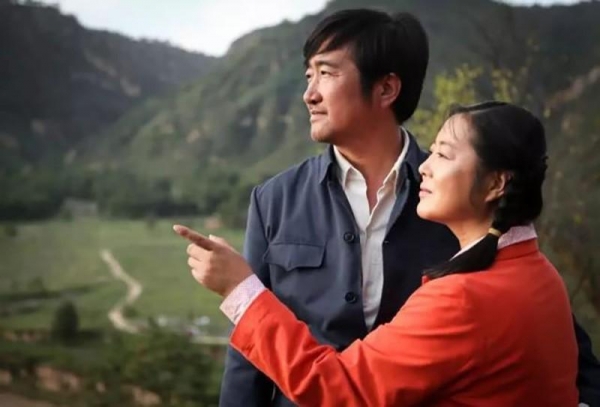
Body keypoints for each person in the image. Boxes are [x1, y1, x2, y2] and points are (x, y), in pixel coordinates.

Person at [184, 9, 600, 406]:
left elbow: (554, 342)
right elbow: (247, 359)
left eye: (326, 73)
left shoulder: (455, 204)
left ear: (386, 88)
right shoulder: (275, 199)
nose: (309, 94)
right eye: (309, 75)